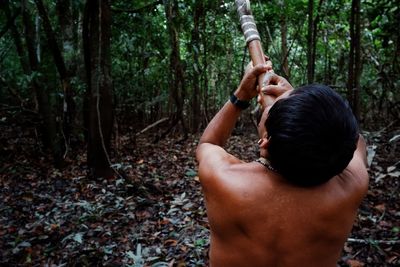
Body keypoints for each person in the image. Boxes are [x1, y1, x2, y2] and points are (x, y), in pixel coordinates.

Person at [196, 62, 369, 267]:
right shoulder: (352, 186)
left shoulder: (225, 179)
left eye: (274, 107)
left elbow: (208, 143)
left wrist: (241, 95)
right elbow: (354, 139)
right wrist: (299, 108)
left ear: (265, 143)